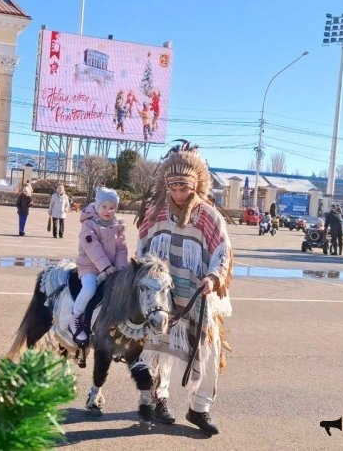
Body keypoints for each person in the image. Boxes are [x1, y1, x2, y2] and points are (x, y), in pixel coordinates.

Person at [134, 140, 232, 435]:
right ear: (166, 185)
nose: (179, 193)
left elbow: (223, 251)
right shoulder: (155, 213)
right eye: (173, 188)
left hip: (197, 294)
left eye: (184, 188)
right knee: (158, 349)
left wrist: (214, 277)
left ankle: (199, 408)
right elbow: (141, 247)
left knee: (210, 350)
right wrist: (144, 274)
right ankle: (158, 398)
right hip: (161, 295)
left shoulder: (209, 216)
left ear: (197, 184)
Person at [69, 187, 128, 343]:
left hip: (112, 268)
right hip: (90, 267)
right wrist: (106, 267)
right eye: (104, 206)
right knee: (89, 288)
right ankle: (75, 316)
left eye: (112, 208)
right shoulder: (89, 225)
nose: (108, 211)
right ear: (96, 205)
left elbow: (121, 248)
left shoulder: (117, 225)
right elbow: (92, 248)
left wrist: (121, 268)